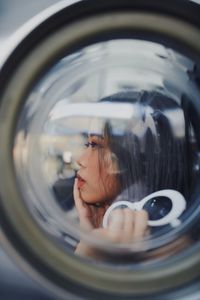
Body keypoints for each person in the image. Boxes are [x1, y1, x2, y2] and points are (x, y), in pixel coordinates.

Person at [73, 90, 197, 258]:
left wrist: (88, 256)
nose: (80, 160)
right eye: (86, 144)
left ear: (133, 158)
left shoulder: (171, 253)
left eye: (95, 145)